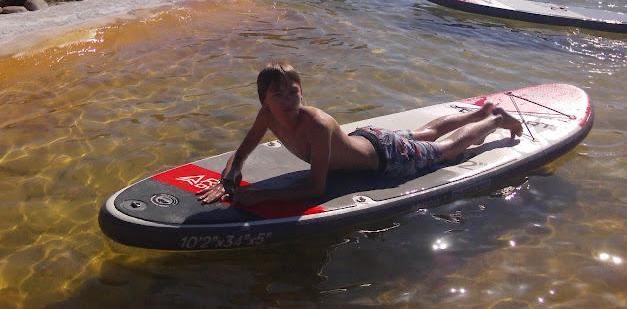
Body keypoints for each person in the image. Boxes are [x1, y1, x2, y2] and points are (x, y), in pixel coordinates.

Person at [197, 62, 523, 206]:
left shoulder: (316, 125)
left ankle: (494, 119)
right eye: (278, 95)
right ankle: (479, 112)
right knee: (427, 132)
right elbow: (244, 150)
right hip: (369, 137)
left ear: (302, 93)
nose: (287, 101)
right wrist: (230, 176)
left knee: (447, 149)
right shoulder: (267, 115)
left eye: (293, 92)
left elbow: (316, 187)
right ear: (264, 100)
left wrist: (263, 195)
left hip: (388, 156)